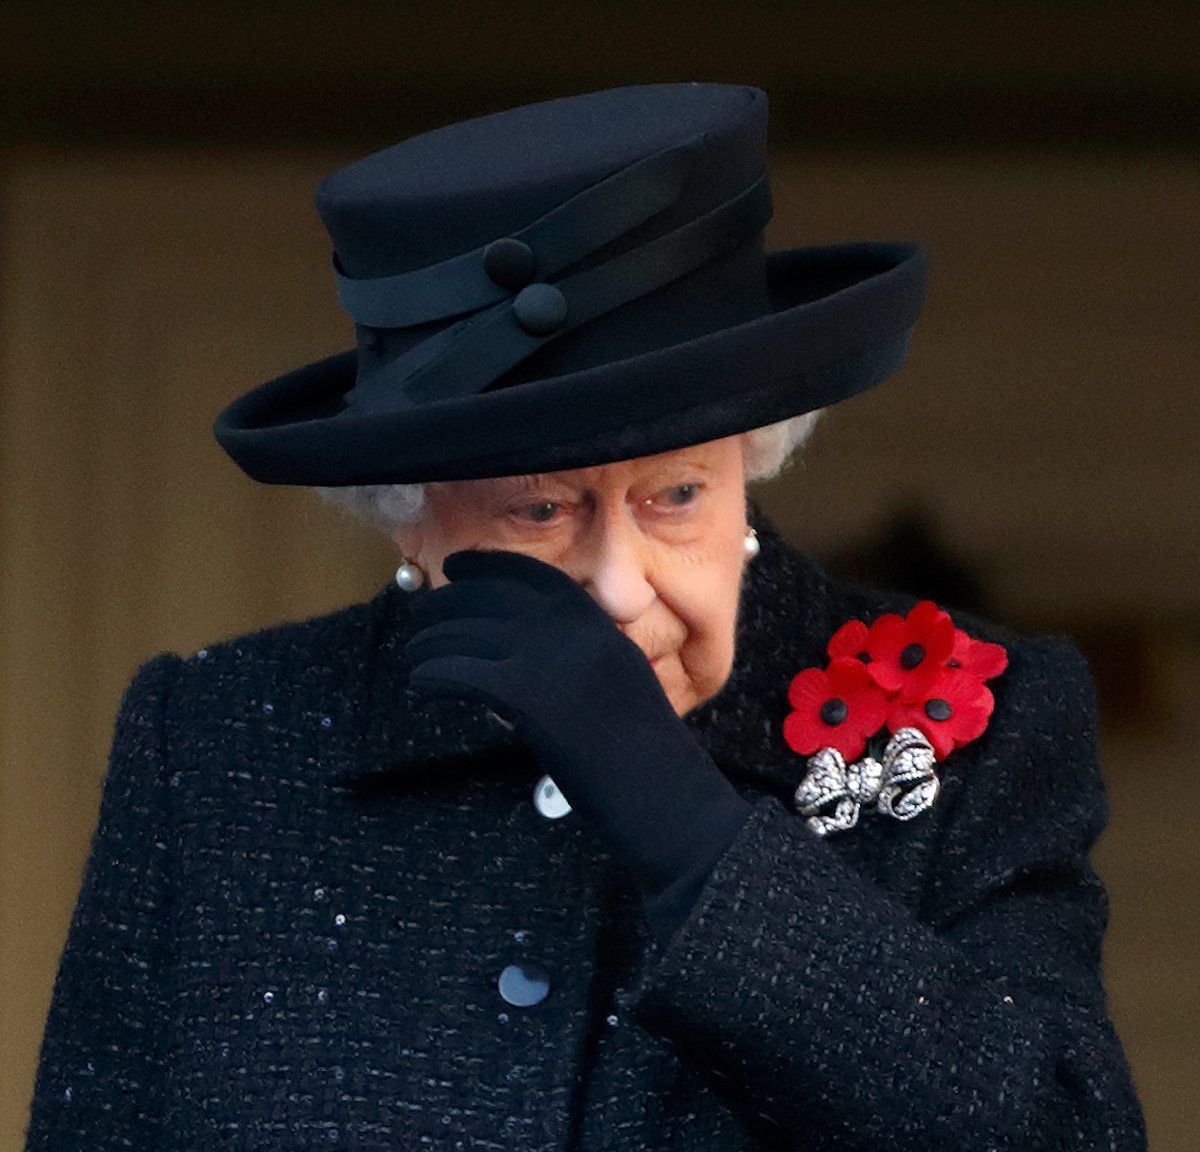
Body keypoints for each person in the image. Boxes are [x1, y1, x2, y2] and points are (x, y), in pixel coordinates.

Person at [25, 84, 1145, 1150]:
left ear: (750, 466)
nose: (619, 585)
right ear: (410, 516)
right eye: (543, 509)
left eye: (676, 495)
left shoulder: (974, 726)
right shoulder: (224, 742)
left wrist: (693, 835)